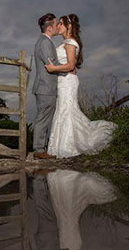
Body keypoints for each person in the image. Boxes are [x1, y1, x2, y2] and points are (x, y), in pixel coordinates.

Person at [45, 14, 118, 158]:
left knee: (67, 110)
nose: (58, 26)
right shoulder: (67, 42)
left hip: (68, 82)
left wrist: (53, 69)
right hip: (63, 81)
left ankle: (69, 146)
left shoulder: (71, 43)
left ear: (69, 26)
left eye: (61, 23)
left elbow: (71, 65)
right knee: (63, 110)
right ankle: (60, 145)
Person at [31, 13, 69, 160]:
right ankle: (39, 150)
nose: (57, 27)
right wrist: (69, 68)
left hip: (45, 87)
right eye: (55, 24)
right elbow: (52, 64)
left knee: (44, 117)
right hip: (45, 88)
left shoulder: (42, 41)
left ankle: (40, 148)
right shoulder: (45, 43)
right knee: (43, 118)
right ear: (50, 27)